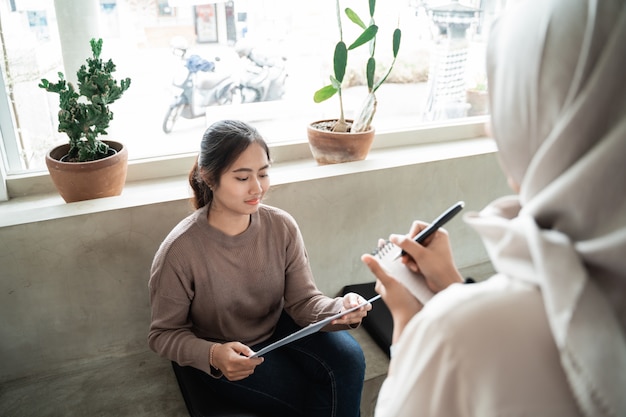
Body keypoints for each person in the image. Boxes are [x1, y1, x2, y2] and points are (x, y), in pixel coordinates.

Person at [361, 0, 626, 416]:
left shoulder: (459, 339)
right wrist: (453, 288)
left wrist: (412, 324)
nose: (490, 126)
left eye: (510, 100)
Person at [149, 119, 371, 417]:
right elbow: (163, 334)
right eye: (242, 178)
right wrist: (214, 354)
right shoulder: (180, 250)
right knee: (306, 396)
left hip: (279, 326)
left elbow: (304, 301)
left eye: (263, 174)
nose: (257, 188)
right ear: (209, 177)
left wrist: (340, 308)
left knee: (350, 360)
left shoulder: (281, 225)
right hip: (226, 347)